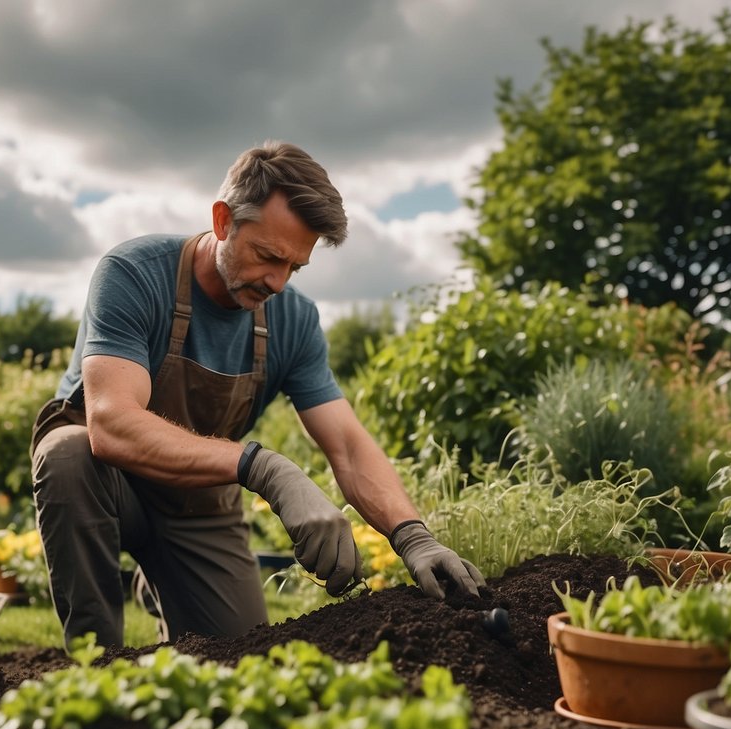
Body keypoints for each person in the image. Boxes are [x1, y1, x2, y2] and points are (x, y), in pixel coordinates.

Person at [30, 140, 485, 647]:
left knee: (240, 652)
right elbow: (112, 425)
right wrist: (267, 469)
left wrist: (412, 537)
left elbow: (348, 444)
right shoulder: (135, 273)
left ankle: (164, 578)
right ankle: (96, 666)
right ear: (223, 221)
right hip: (105, 482)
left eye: (295, 267)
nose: (278, 281)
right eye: (268, 256)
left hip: (198, 499)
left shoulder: (294, 320)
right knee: (67, 454)